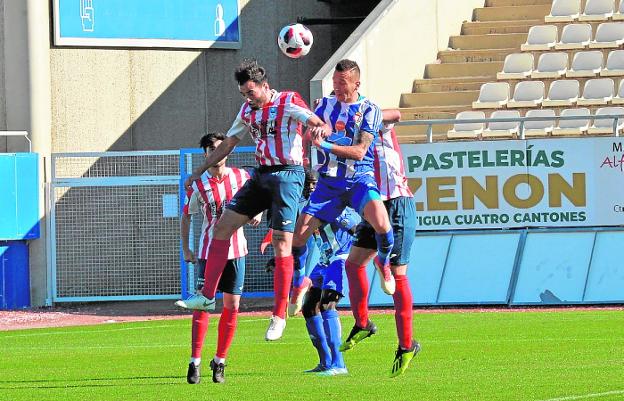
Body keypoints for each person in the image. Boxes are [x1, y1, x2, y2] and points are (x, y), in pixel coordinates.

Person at [176, 59, 331, 342]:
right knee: (222, 228)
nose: (248, 98)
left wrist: (321, 128)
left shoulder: (287, 101)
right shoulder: (247, 110)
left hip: (288, 174)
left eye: (251, 92)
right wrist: (197, 171)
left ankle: (279, 316)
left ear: (264, 86)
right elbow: (229, 142)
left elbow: (314, 121)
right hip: (261, 175)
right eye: (244, 94)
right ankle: (207, 296)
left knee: (281, 243)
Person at [291, 59, 396, 317]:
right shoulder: (324, 105)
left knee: (382, 223)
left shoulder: (369, 109)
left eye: (343, 83)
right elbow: (309, 133)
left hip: (359, 178)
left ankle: (383, 262)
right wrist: (313, 135)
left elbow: (360, 152)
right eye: (335, 83)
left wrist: (324, 145)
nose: (337, 87)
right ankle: (300, 280)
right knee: (298, 237)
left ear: (356, 83)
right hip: (328, 182)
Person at [340, 109, 420, 378]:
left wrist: (360, 118)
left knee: (398, 276)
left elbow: (396, 114)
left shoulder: (373, 120)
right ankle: (362, 323)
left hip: (396, 203)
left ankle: (407, 345)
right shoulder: (345, 132)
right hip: (372, 204)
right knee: (353, 265)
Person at [177, 132, 261, 384]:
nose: (214, 154)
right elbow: (186, 216)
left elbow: (259, 200)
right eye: (209, 150)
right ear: (205, 155)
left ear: (227, 151)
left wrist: (256, 213)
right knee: (204, 304)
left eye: (218, 148)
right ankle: (195, 362)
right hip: (208, 252)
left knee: (233, 306)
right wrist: (186, 248)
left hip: (237, 252)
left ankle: (220, 361)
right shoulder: (199, 186)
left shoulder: (242, 177)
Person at [302, 206, 360, 376]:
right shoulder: (306, 208)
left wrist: (356, 256)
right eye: (308, 185)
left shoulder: (334, 207)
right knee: (309, 307)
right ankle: (325, 362)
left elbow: (355, 229)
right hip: (323, 261)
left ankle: (339, 364)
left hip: (339, 259)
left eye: (314, 185)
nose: (310, 188)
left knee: (328, 305)